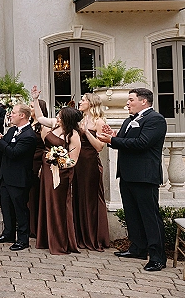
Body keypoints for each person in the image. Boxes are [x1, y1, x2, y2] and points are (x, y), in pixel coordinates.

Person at [97, 88, 167, 272]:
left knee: (150, 216)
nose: (127, 103)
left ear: (144, 101)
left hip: (144, 176)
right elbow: (124, 141)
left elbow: (142, 143)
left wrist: (112, 141)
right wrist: (113, 136)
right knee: (132, 214)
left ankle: (158, 257)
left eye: (131, 100)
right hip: (127, 174)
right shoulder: (129, 120)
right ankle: (138, 248)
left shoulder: (155, 119)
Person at [32, 86, 82, 255]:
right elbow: (39, 117)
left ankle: (60, 241)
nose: (57, 118)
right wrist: (35, 99)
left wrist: (58, 161)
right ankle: (46, 238)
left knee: (59, 205)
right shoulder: (53, 124)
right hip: (47, 170)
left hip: (61, 174)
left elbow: (73, 160)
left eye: (61, 116)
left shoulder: (73, 135)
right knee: (46, 201)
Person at [0, 104, 37, 251]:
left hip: (19, 178)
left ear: (22, 115)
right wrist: (0, 140)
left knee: (20, 208)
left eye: (13, 113)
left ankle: (23, 239)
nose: (10, 115)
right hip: (6, 175)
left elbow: (14, 153)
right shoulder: (12, 130)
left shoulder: (29, 135)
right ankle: (8, 233)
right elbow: (5, 146)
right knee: (6, 207)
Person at [75, 93, 110, 251]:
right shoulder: (80, 119)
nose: (80, 102)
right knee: (79, 196)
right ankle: (80, 235)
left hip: (90, 164)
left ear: (91, 103)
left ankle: (94, 237)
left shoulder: (98, 121)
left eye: (83, 100)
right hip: (78, 163)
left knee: (91, 198)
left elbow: (99, 147)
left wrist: (87, 132)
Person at [28, 98, 48, 239]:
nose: (30, 109)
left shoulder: (42, 126)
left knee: (35, 195)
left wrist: (42, 165)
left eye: (32, 106)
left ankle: (36, 228)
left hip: (37, 162)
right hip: (27, 162)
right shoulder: (29, 123)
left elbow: (47, 146)